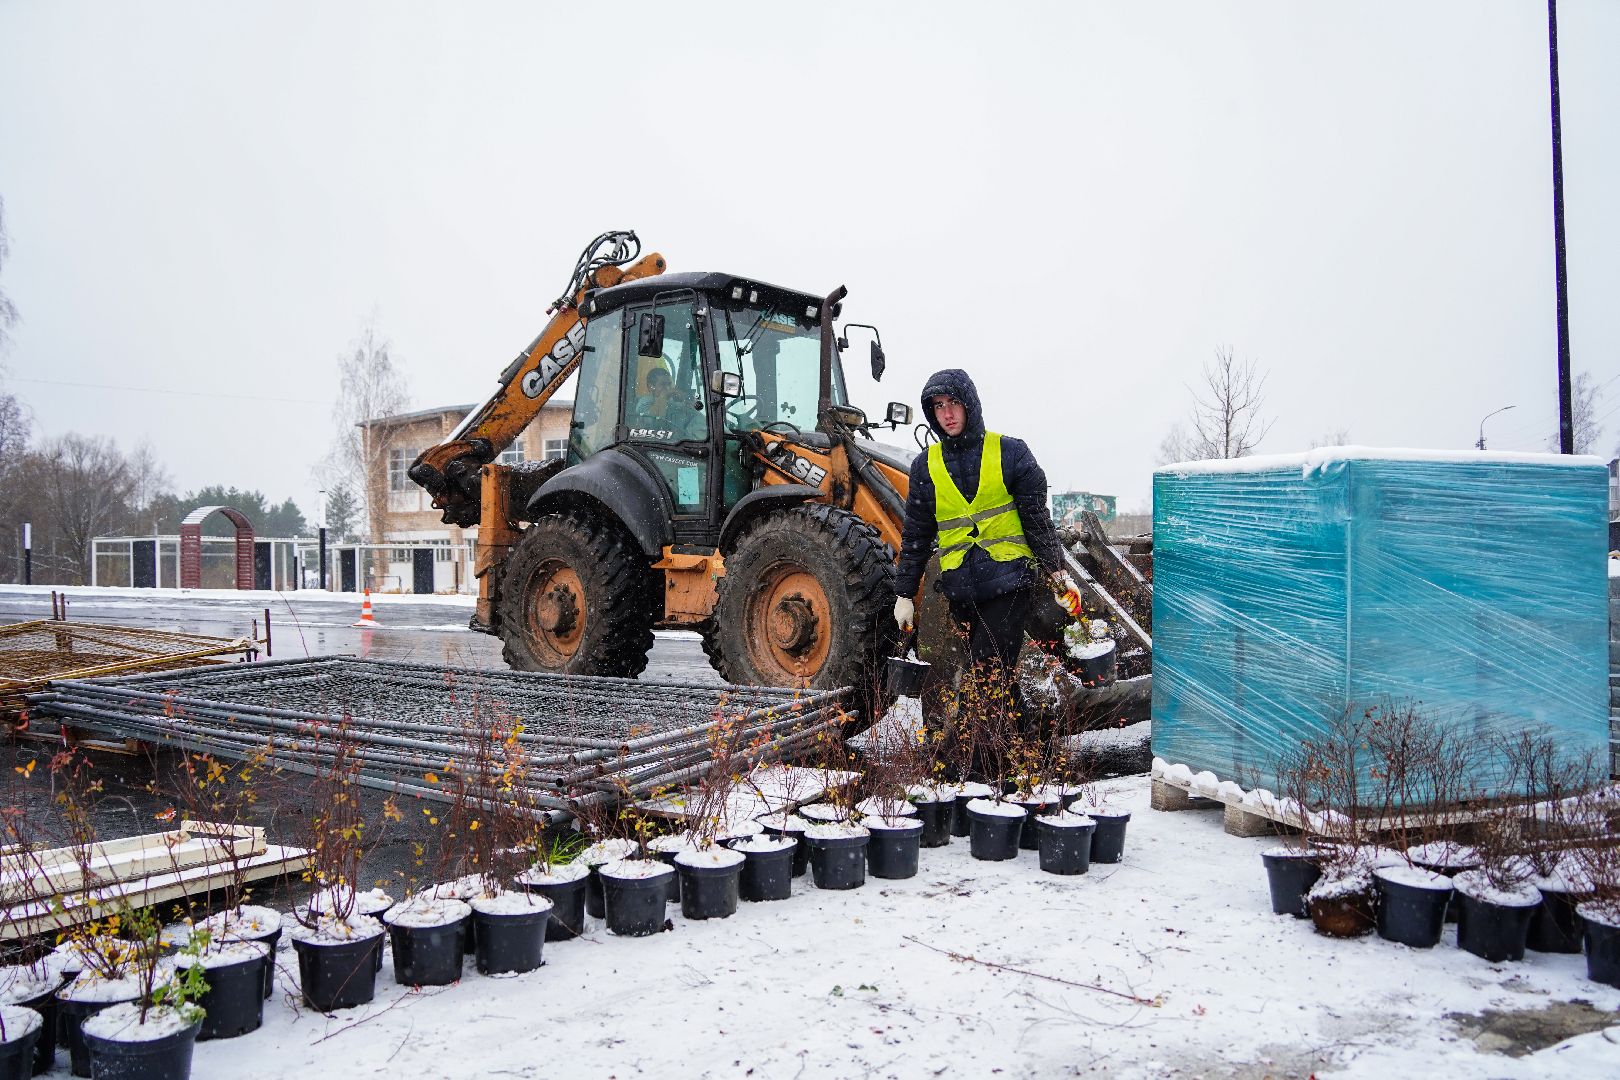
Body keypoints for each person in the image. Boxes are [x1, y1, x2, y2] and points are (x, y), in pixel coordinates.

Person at [891, 368, 1082, 760]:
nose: (947, 414)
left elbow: (1037, 520)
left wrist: (1058, 572)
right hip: (962, 591)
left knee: (987, 671)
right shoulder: (926, 467)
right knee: (997, 678)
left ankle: (972, 765)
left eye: (953, 403)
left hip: (1010, 583)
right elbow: (916, 536)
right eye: (938, 407)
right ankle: (1030, 750)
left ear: (970, 405)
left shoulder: (1010, 453)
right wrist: (904, 594)